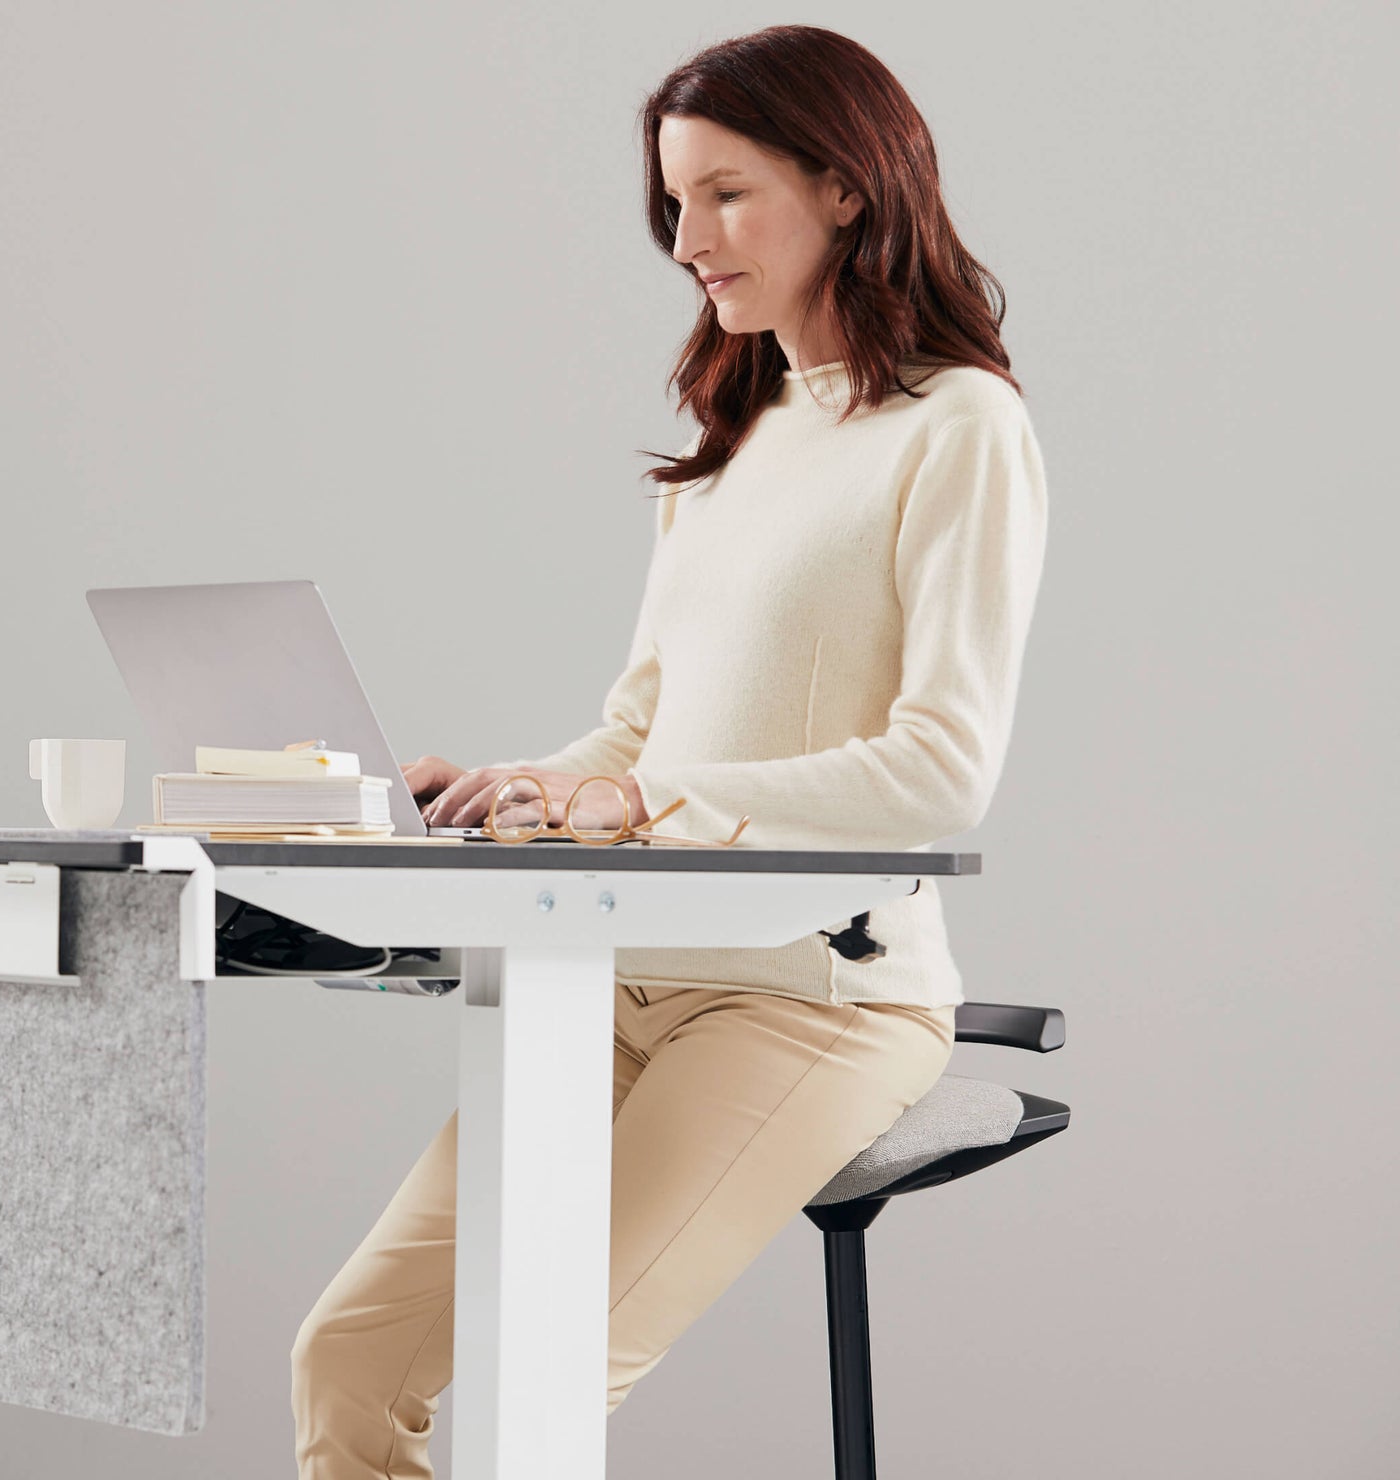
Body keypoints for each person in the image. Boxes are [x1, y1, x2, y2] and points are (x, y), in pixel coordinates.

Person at [289, 24, 1049, 1477]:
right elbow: (644, 723)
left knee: (548, 1374)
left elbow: (941, 768)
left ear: (846, 187)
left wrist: (635, 802)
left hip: (814, 998)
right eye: (673, 206)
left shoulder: (960, 429)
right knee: (349, 1359)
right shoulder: (741, 434)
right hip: (618, 977)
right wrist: (516, 785)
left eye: (724, 196)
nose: (688, 241)